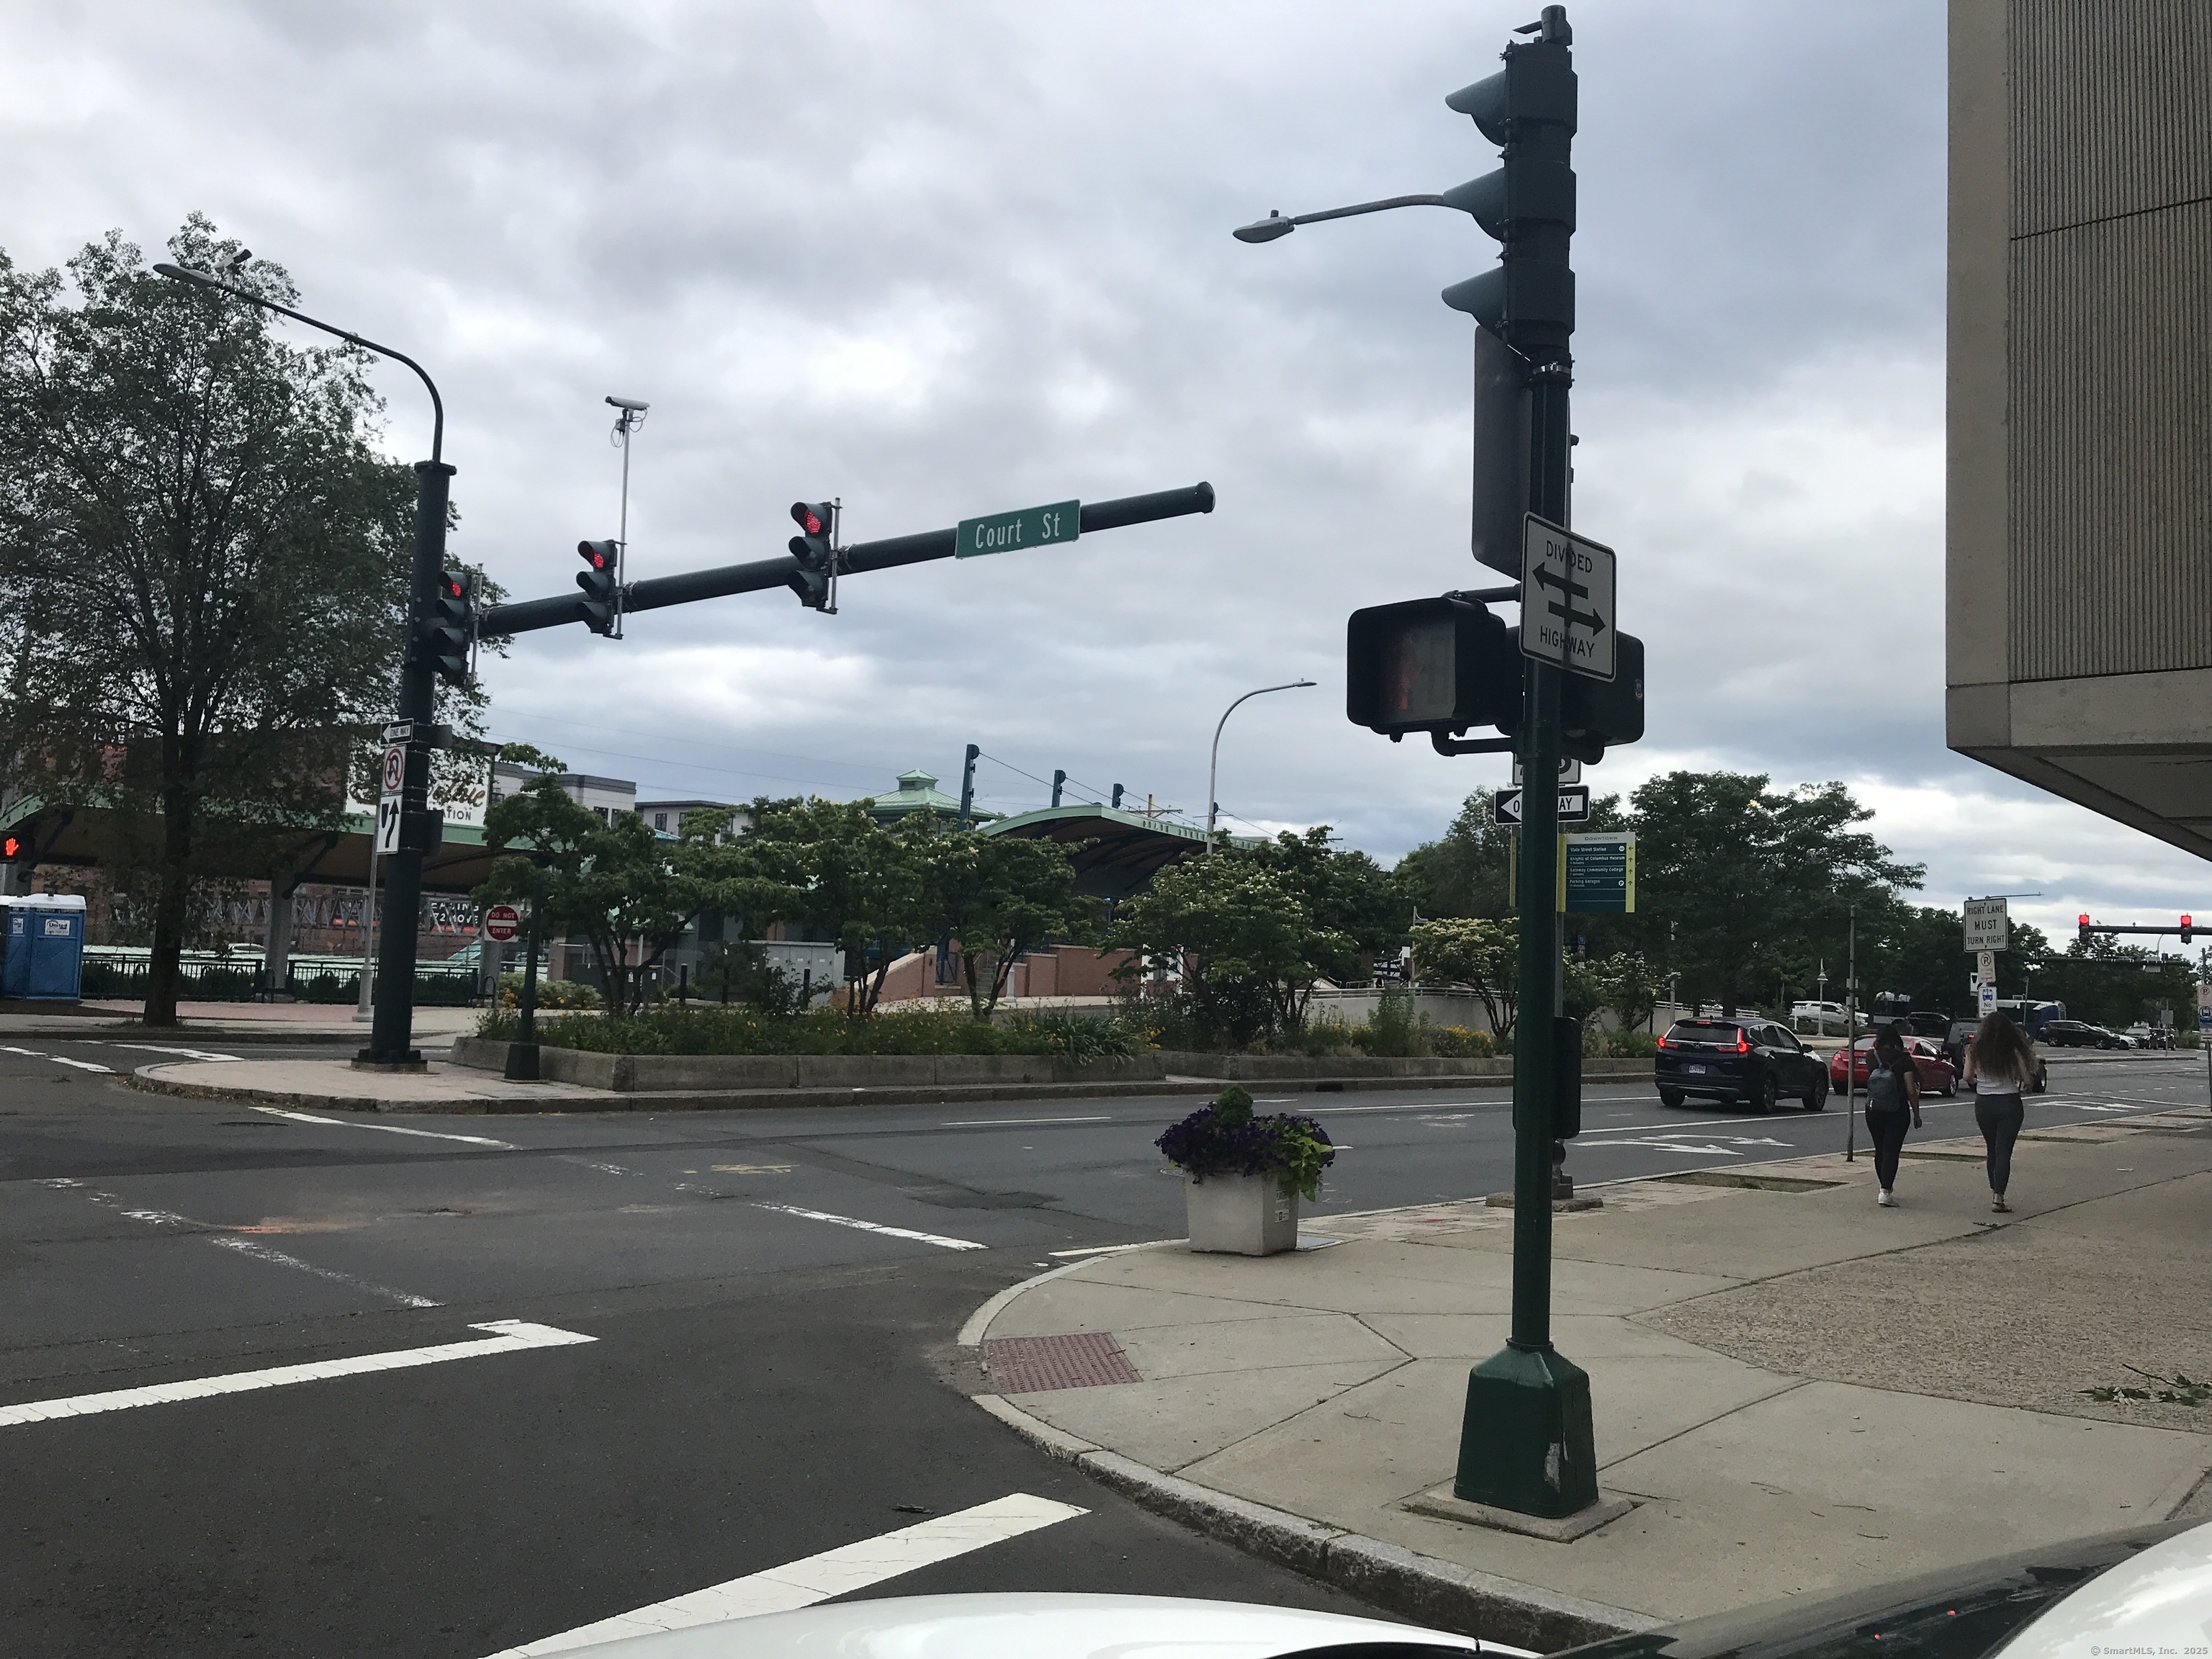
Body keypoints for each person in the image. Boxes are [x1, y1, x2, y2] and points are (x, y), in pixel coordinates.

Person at [1964, 1011, 2033, 1213]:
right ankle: (1998, 1197)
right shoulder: (2013, 1050)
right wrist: (2021, 1084)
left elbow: (1967, 1076)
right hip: (2009, 1103)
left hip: (1984, 1103)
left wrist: (1980, 1082)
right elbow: (2027, 1080)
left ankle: (1994, 1189)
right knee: (2004, 1152)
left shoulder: (1974, 1050)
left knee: (1991, 1150)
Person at [1863, 1025, 1923, 1206]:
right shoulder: (1904, 1059)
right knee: (1891, 1150)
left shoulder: (1871, 1057)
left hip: (1873, 1108)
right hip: (1897, 1110)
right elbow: (1911, 1089)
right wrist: (1916, 1114)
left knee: (1879, 1149)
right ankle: (1886, 1191)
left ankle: (1883, 1187)